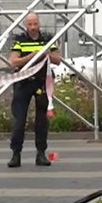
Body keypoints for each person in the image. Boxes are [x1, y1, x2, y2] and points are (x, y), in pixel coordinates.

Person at [7, 12, 61, 168]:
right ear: (26, 25)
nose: (32, 27)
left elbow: (58, 60)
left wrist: (47, 55)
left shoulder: (47, 40)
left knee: (42, 121)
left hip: (42, 83)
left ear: (39, 24)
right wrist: (31, 56)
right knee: (19, 120)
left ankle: (41, 154)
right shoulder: (20, 40)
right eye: (29, 24)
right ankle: (16, 154)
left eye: (35, 24)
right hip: (23, 83)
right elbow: (13, 61)